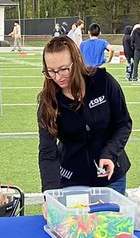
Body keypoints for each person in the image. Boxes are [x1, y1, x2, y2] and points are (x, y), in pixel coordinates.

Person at [37, 36, 132, 193]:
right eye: (51, 71)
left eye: (63, 69)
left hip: (111, 178)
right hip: (72, 180)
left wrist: (109, 153)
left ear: (77, 60)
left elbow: (123, 123)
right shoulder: (48, 102)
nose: (58, 77)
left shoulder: (104, 82)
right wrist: (50, 194)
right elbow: (47, 152)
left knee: (112, 218)